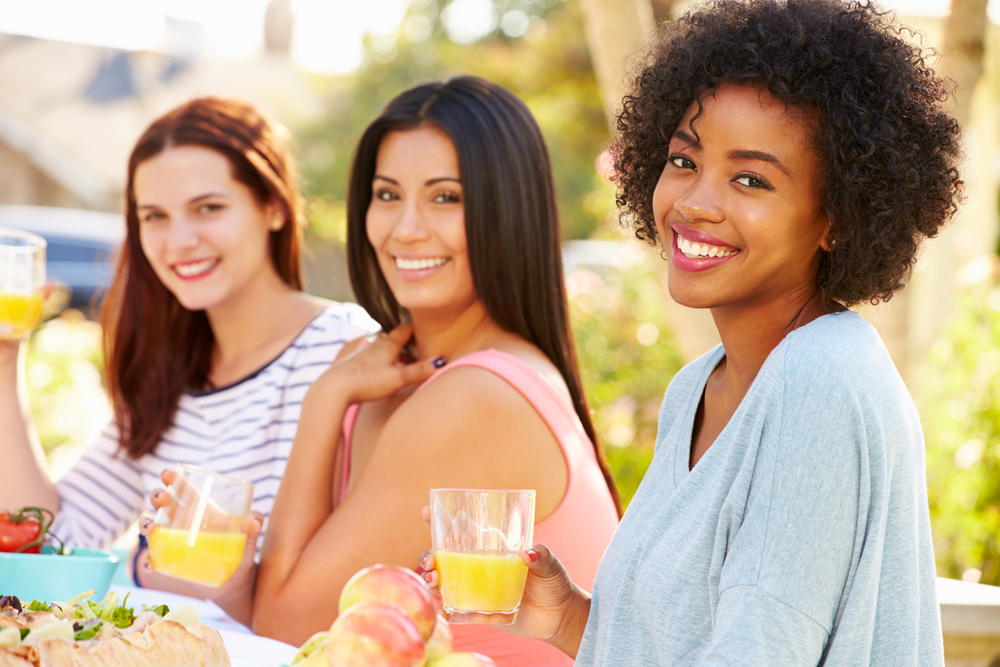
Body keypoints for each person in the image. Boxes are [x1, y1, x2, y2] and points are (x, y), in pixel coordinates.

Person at [421, 1, 963, 664]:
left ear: (838, 218)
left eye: (750, 178)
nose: (696, 202)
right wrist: (569, 618)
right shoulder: (697, 388)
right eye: (684, 160)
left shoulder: (819, 381)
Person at [243, 76, 621, 666]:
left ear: (505, 211)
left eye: (445, 197)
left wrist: (323, 401)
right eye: (387, 195)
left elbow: (284, 624)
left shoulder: (477, 397)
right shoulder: (381, 369)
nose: (406, 228)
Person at [0, 97, 377, 623]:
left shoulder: (345, 351)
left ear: (273, 206)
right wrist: (5, 357)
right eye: (154, 216)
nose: (179, 241)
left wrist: (212, 574)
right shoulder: (169, 375)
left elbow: (344, 592)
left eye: (208, 208)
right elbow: (50, 541)